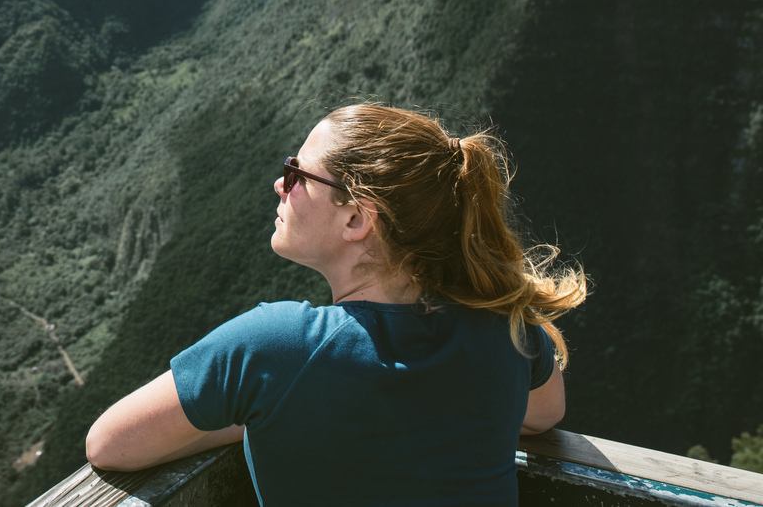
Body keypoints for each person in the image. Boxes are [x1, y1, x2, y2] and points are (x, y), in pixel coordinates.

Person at [85, 104, 587, 505]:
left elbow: (108, 445)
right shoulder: (508, 332)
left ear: (355, 221)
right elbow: (545, 414)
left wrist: (260, 413)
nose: (280, 185)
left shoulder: (274, 348)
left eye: (297, 173)